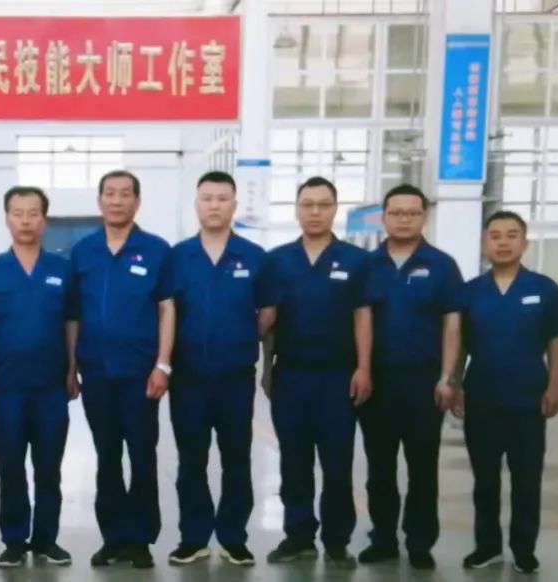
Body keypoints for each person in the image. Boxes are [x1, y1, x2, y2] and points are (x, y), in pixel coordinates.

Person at [260, 176, 372, 569]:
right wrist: (266, 368)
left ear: (334, 209)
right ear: (296, 209)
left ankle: (337, 540)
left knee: (337, 462)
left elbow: (363, 316)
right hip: (291, 375)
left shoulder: (356, 260)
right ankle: (298, 535)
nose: (315, 212)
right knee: (294, 461)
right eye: (307, 204)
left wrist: (363, 367)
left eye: (323, 205)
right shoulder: (277, 261)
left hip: (338, 377)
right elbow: (269, 320)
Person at [456, 211, 558, 575]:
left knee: (526, 479)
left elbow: (555, 343)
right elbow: (460, 346)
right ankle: (487, 546)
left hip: (528, 399)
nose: (503, 242)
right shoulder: (470, 292)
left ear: (524, 242)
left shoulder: (544, 288)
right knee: (485, 480)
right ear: (483, 243)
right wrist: (455, 384)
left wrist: (554, 387)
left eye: (511, 235)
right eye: (495, 236)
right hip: (482, 398)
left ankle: (523, 549)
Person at [70, 170, 175, 569]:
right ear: (100, 201)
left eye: (125, 194)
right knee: (107, 457)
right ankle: (113, 538)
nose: (117, 201)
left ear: (137, 202)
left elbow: (167, 309)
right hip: (97, 372)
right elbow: (73, 314)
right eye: (110, 194)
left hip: (140, 374)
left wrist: (162, 365)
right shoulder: (84, 251)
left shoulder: (156, 250)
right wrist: (72, 366)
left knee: (143, 456)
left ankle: (141, 540)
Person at [166, 171, 268, 567]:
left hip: (235, 377)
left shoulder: (254, 256)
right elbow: (166, 311)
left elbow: (268, 310)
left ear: (234, 205)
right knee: (191, 459)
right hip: (188, 376)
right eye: (207, 198)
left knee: (236, 458)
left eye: (222, 198)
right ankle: (193, 538)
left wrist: (242, 336)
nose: (214, 205)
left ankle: (233, 537)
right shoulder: (178, 257)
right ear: (196, 204)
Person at [358, 184, 463, 570]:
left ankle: (420, 542)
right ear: (383, 217)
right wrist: (363, 370)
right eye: (396, 212)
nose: (404, 219)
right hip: (378, 385)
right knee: (379, 467)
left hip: (424, 384)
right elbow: (360, 319)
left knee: (422, 467)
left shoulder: (442, 265)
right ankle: (383, 539)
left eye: (413, 213)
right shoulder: (368, 265)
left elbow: (453, 324)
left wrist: (448, 377)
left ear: (424, 217)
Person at [0, 186, 78, 568]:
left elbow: (71, 321)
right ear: (7, 219)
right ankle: (15, 541)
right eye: (18, 213)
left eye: (33, 213)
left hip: (51, 385)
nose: (26, 221)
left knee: (49, 467)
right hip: (7, 385)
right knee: (11, 466)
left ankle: (46, 539)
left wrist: (72, 368)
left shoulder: (62, 269)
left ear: (44, 220)